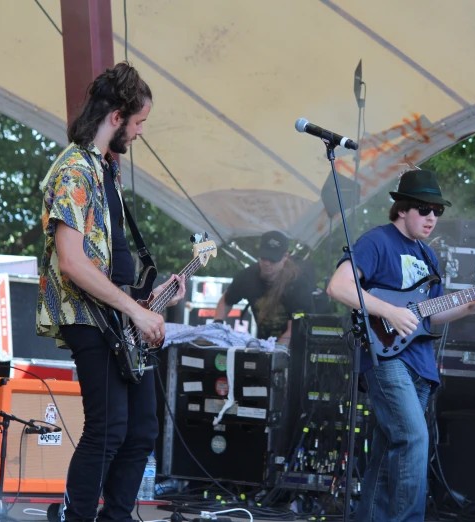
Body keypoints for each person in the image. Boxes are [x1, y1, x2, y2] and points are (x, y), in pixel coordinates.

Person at [35, 62, 186, 522]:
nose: (141, 132)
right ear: (117, 116)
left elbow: (110, 259)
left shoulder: (107, 171)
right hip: (89, 317)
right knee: (108, 429)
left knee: (142, 430)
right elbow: (73, 262)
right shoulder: (74, 171)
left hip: (117, 313)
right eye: (139, 122)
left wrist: (148, 299)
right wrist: (135, 313)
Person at [326, 168, 475, 521]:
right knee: (414, 439)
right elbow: (339, 287)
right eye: (424, 209)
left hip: (420, 364)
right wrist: (390, 311)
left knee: (389, 451)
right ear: (402, 209)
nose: (432, 217)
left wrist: (471, 306)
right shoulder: (376, 241)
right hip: (386, 358)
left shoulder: (428, 256)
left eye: (438, 211)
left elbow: (430, 316)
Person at [213, 230, 315, 345]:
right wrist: (218, 325)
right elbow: (226, 301)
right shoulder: (248, 276)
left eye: (272, 259)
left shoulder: (298, 283)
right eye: (264, 257)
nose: (267, 263)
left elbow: (294, 329)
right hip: (263, 343)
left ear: (285, 256)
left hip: (296, 347)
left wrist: (274, 353)